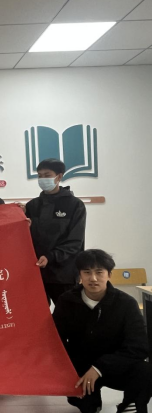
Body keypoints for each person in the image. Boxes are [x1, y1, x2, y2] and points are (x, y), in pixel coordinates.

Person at [53, 249, 151, 413]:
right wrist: (68, 370)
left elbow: (139, 346)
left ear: (109, 275)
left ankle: (130, 403)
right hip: (82, 367)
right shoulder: (66, 301)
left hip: (116, 366)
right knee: (88, 407)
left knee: (145, 371)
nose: (93, 278)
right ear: (79, 275)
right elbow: (56, 339)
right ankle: (91, 402)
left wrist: (99, 368)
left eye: (99, 272)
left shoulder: (126, 304)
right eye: (87, 272)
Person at [24, 158, 86, 305]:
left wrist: (51, 257)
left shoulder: (74, 205)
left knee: (67, 315)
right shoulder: (32, 206)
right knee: (37, 314)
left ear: (59, 176)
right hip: (36, 273)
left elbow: (75, 242)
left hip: (64, 275)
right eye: (40, 176)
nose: (42, 179)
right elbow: (23, 239)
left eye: (47, 175)